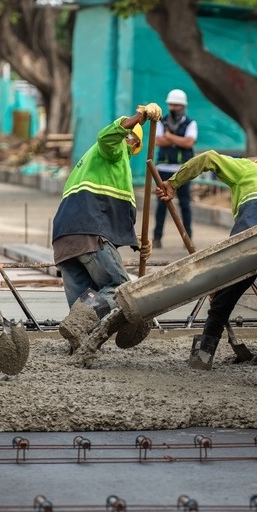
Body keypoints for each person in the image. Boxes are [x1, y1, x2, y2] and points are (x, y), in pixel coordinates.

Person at [157, 151, 257, 373]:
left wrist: (173, 182)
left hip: (250, 239)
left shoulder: (246, 168)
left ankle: (201, 361)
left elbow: (208, 158)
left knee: (220, 309)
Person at [53, 104, 162, 350]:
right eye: (133, 146)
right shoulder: (113, 151)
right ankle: (78, 325)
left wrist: (136, 241)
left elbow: (107, 212)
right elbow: (106, 136)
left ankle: (79, 348)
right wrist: (139, 118)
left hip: (65, 238)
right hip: (89, 233)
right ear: (132, 141)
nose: (131, 152)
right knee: (119, 288)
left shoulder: (91, 167)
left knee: (85, 304)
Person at [153, 89, 197, 247]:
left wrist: (170, 137)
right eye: (171, 104)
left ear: (183, 106)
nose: (174, 108)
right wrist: (180, 140)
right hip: (163, 168)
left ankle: (188, 238)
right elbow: (158, 141)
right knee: (161, 205)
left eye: (177, 105)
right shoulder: (161, 122)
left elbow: (189, 143)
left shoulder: (190, 123)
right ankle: (157, 238)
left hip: (183, 170)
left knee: (185, 204)